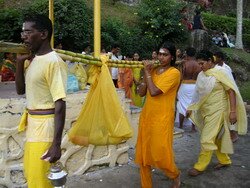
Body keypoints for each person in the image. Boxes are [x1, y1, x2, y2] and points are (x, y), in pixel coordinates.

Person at [15, 14, 67, 187]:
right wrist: (19, 65)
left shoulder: (54, 62)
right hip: (33, 128)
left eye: (28, 32)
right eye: (23, 32)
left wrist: (56, 145)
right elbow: (21, 91)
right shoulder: (34, 59)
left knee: (41, 182)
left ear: (43, 34)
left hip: (45, 131)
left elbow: (60, 103)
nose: (23, 36)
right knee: (33, 178)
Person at [186, 50, 247, 176]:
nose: (200, 66)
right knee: (217, 137)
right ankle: (225, 160)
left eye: (202, 63)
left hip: (219, 110)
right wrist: (191, 107)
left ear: (210, 61)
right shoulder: (201, 75)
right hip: (206, 111)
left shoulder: (221, 72)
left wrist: (233, 112)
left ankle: (200, 166)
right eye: (199, 64)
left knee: (206, 138)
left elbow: (231, 92)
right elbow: (197, 93)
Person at [135, 41, 181, 188]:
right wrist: (144, 74)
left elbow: (154, 92)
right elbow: (142, 93)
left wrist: (147, 72)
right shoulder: (153, 71)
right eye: (160, 54)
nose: (161, 57)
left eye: (165, 55)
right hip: (147, 116)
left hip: (163, 118)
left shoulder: (174, 73)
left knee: (161, 154)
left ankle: (175, 174)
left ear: (172, 57)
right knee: (144, 155)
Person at [214, 51, 238, 142]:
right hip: (219, 95)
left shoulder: (227, 68)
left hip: (228, 93)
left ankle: (232, 134)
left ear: (220, 58)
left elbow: (232, 80)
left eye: (215, 57)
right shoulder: (214, 68)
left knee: (229, 114)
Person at [176, 47, 201, 132]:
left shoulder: (184, 64)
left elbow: (180, 78)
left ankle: (181, 125)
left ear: (186, 53)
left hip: (184, 85)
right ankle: (193, 128)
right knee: (193, 106)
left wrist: (176, 90)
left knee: (182, 105)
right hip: (195, 85)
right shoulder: (198, 65)